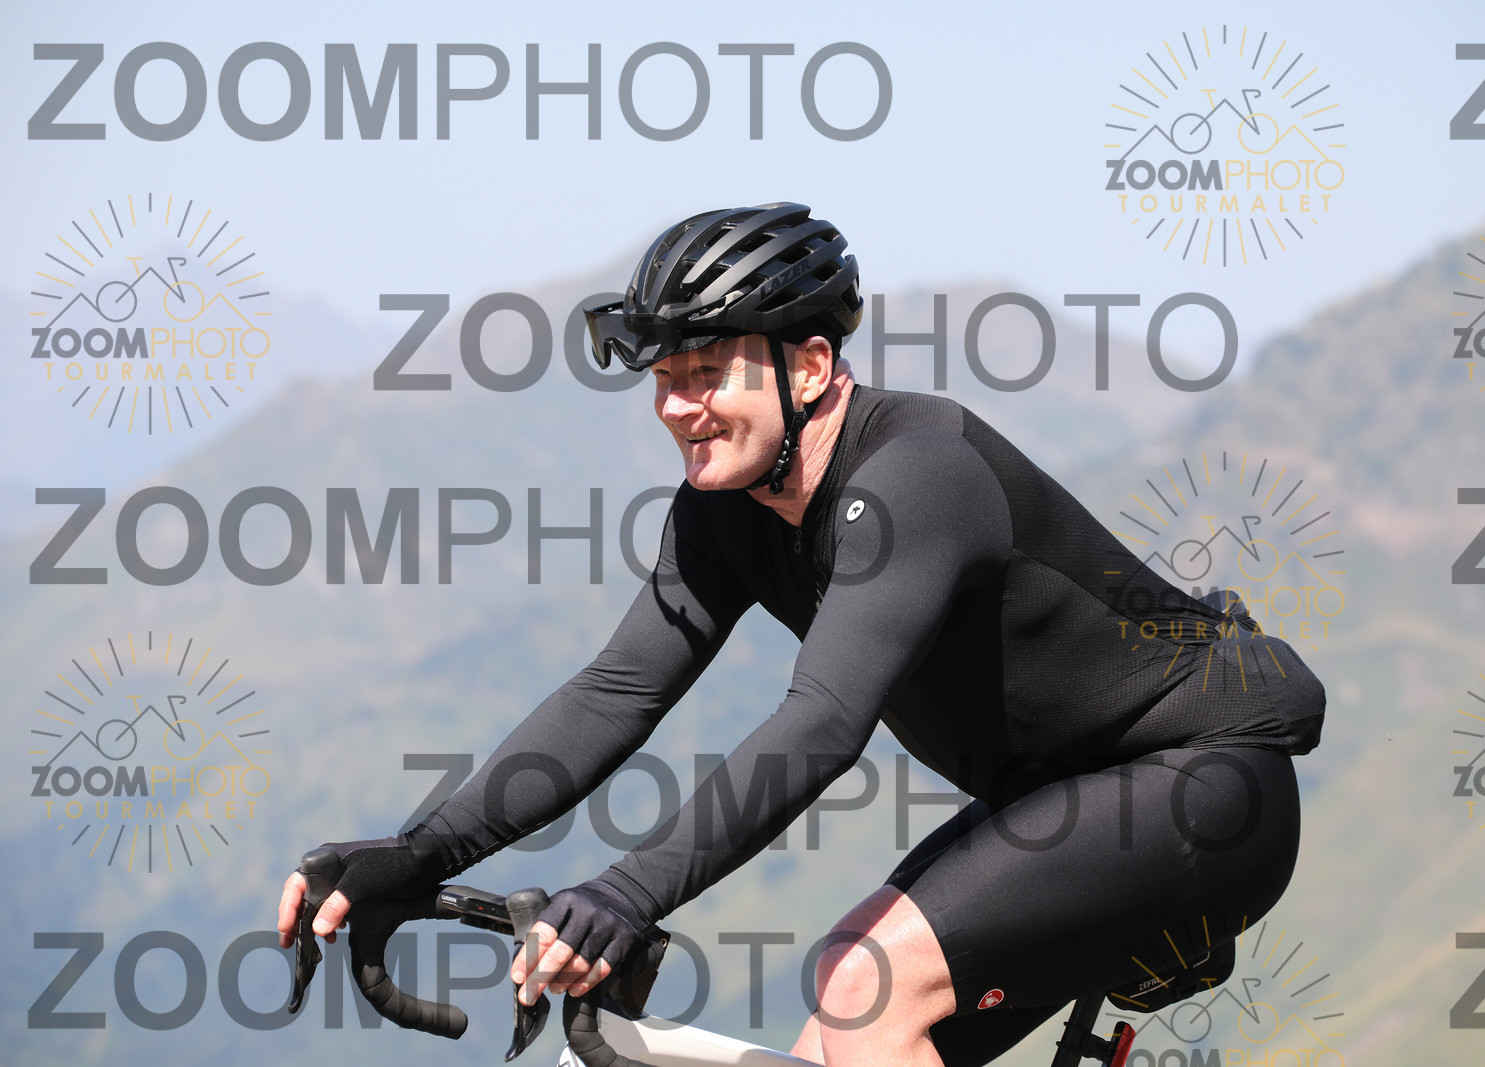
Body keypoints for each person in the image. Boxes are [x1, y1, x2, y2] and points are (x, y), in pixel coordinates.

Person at [278, 202, 1325, 1066]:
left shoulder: (918, 475)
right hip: (1059, 803)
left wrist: (627, 892)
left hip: (1200, 783)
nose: (678, 407)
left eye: (707, 372)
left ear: (812, 365)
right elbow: (617, 691)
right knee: (835, 1026)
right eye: (664, 378)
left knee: (866, 986)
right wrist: (420, 851)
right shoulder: (725, 510)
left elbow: (822, 721)